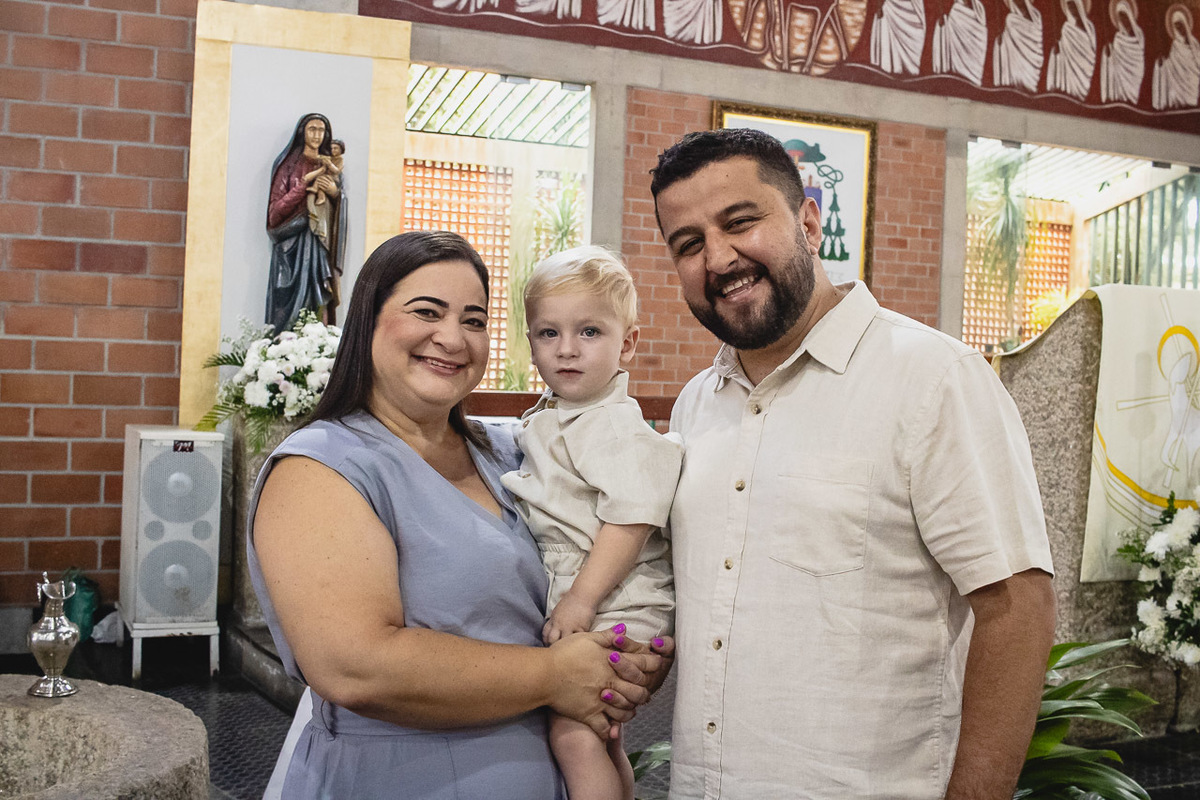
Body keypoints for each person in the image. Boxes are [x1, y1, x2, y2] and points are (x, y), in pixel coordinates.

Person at [649, 128, 1056, 800]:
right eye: (687, 244)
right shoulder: (698, 405)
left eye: (740, 222)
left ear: (809, 221)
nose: (718, 258)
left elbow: (1018, 607)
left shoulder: (931, 378)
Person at [248, 231, 664, 800]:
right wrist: (560, 676)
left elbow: (618, 540)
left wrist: (627, 663)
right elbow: (355, 665)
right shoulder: (322, 467)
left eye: (473, 320)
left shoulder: (516, 450)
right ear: (368, 319)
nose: (452, 337)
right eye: (427, 312)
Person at [501, 246, 683, 800]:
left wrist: (579, 601)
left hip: (615, 598)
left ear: (626, 342)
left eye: (589, 332)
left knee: (573, 737)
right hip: (594, 591)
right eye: (548, 334)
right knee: (600, 737)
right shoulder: (558, 413)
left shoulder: (614, 426)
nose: (567, 350)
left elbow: (630, 520)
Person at [266, 113, 346, 334]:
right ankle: (282, 347)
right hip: (291, 247)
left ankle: (316, 344)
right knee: (286, 310)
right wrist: (303, 186)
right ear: (302, 132)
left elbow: (340, 208)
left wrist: (333, 193)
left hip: (320, 247)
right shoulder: (288, 166)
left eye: (321, 130)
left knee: (319, 297)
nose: (317, 135)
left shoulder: (330, 167)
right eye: (312, 129)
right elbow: (275, 213)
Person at [1045, 0, 1097, 99]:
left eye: (1073, 6)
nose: (1072, 10)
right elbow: (1064, 50)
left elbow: (1092, 49)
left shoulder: (1089, 27)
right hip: (1070, 69)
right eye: (1069, 7)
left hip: (1085, 66)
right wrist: (1057, 49)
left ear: (1079, 6)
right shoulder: (1066, 28)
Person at [992, 0, 1044, 93]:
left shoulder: (1036, 17)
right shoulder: (1011, 19)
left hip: (1032, 61)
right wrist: (1001, 42)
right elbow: (1008, 41)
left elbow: (1037, 41)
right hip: (1015, 61)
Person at [1100, 0, 1144, 105]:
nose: (1122, 19)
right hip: (1120, 77)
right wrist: (1108, 54)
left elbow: (1139, 56)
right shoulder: (1118, 38)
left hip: (1135, 72)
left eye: (1124, 15)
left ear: (1129, 15)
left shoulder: (1139, 35)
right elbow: (1115, 60)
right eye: (1120, 16)